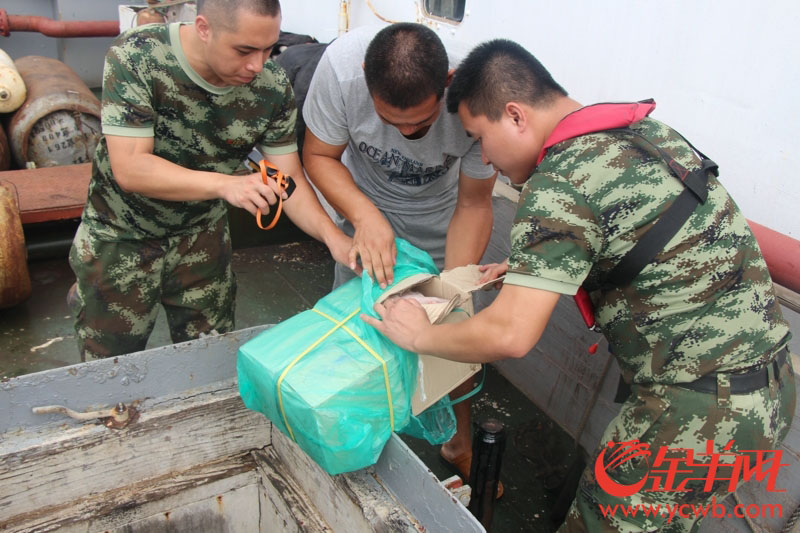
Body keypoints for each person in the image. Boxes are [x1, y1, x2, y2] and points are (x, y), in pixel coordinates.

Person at [363, 39, 796, 532]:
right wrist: (528, 265)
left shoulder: (558, 184)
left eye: (478, 135)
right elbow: (645, 233)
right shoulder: (645, 133)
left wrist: (419, 334)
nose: (483, 154)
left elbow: (510, 335)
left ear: (515, 115)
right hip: (770, 391)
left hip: (697, 411)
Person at [69, 0, 352, 359]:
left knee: (210, 358)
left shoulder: (271, 85)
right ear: (204, 28)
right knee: (109, 364)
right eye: (245, 50)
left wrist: (334, 239)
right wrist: (226, 184)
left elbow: (287, 176)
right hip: (121, 237)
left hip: (202, 240)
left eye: (268, 48)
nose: (257, 64)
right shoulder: (139, 56)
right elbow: (131, 168)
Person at [302, 23, 499, 494]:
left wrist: (452, 286)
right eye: (391, 121)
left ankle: (456, 441)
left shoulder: (477, 86)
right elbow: (319, 156)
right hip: (363, 205)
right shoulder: (341, 71)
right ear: (366, 84)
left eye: (422, 122)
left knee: (451, 328)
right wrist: (365, 217)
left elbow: (474, 203)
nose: (408, 132)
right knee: (360, 323)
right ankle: (357, 432)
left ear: (448, 82)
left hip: (444, 214)